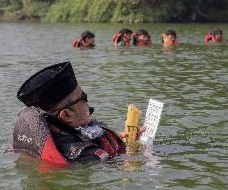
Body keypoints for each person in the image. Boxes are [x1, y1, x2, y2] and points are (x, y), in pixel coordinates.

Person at [13, 61, 145, 165]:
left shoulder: (41, 143)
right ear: (66, 115)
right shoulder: (86, 156)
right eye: (83, 98)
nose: (88, 103)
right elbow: (127, 170)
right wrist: (137, 148)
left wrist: (128, 140)